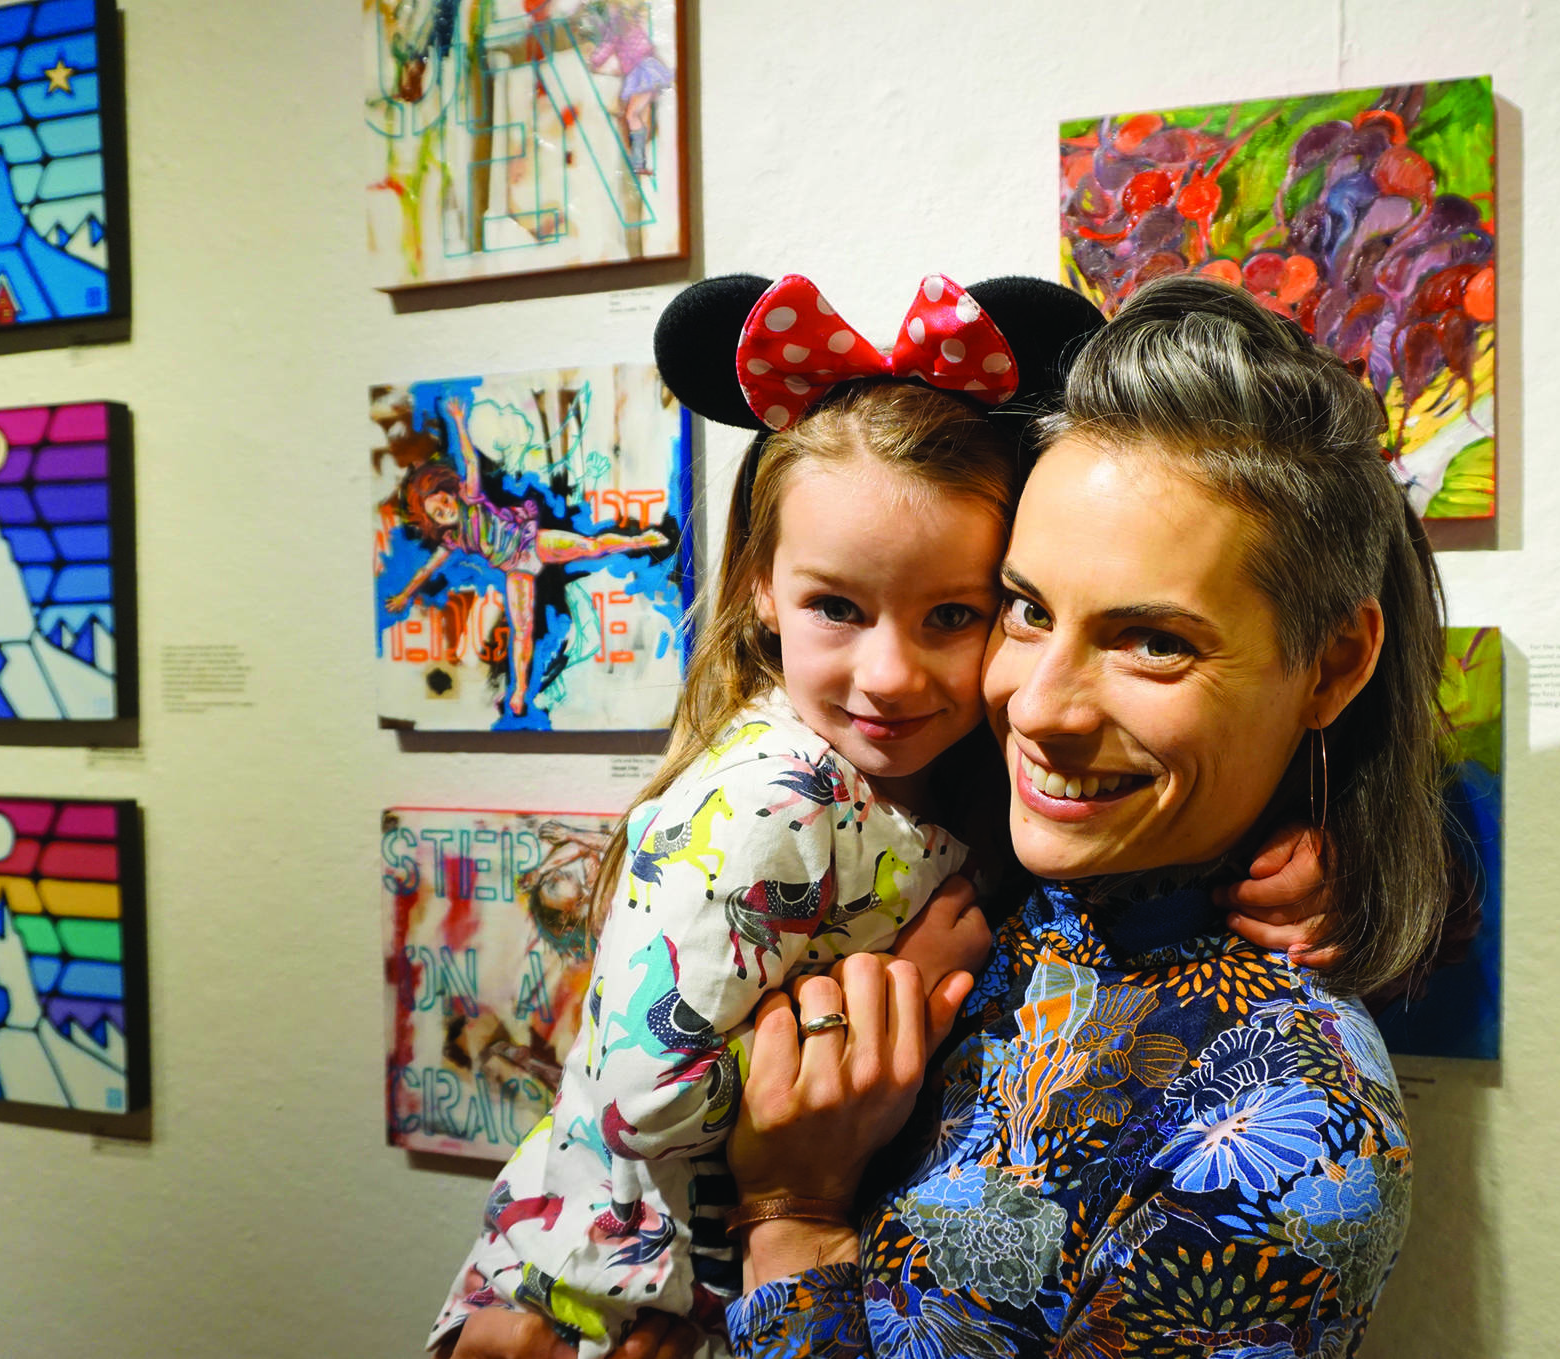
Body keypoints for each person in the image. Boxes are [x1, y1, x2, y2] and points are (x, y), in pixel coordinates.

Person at [432, 273, 1344, 1359]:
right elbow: (635, 1097)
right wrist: (610, 1285)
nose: (892, 676)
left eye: (959, 614)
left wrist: (1322, 841)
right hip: (610, 1296)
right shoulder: (776, 804)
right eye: (1031, 613)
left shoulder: (970, 783)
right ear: (759, 588)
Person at [703, 273, 1451, 1358]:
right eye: (1022, 608)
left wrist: (795, 1222)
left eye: (1152, 640)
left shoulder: (1293, 1138)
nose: (1038, 706)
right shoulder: (931, 848)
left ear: (1330, 664)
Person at [384, 395, 671, 717]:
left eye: (444, 501)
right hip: (515, 569)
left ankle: (640, 539)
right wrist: (405, 595)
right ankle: (519, 692)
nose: (446, 509)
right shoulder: (453, 541)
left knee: (591, 547)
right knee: (523, 630)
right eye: (438, 513)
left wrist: (460, 424)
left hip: (532, 541)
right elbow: (427, 570)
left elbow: (469, 461)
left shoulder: (472, 497)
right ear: (435, 523)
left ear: (450, 493)